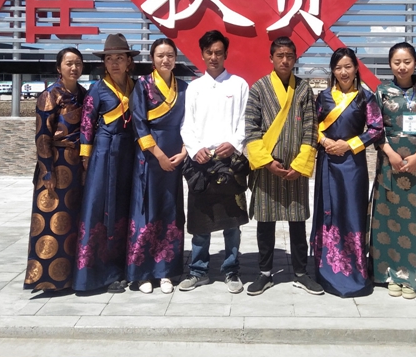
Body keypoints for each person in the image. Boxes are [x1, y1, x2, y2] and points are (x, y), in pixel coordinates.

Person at [245, 36, 323, 296]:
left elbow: (311, 129)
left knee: (297, 221)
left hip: (295, 170)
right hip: (268, 168)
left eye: (289, 56)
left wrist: (300, 165)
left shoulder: (303, 89)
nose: (285, 60)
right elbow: (251, 128)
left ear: (295, 58)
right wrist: (267, 162)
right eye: (280, 56)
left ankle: (301, 273)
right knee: (265, 221)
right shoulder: (258, 88)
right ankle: (265, 273)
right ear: (271, 58)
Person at [179, 30, 249, 294]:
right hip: (202, 161)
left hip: (229, 162)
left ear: (226, 54)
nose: (214, 57)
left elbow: (245, 122)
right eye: (209, 52)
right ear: (202, 54)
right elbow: (187, 125)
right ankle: (198, 270)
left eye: (219, 52)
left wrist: (234, 143)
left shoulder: (239, 85)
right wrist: (195, 148)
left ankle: (231, 270)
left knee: (232, 221)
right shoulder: (195, 87)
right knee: (200, 220)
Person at [311, 48, 383, 297]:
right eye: (338, 67)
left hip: (353, 164)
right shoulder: (323, 97)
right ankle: (326, 267)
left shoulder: (365, 97)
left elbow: (376, 129)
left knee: (351, 211)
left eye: (348, 67)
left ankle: (353, 268)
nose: (343, 72)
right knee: (328, 211)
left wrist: (349, 144)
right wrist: (324, 141)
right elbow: (311, 125)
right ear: (332, 70)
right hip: (328, 163)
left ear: (355, 69)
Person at [72, 34, 139, 293]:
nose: (114, 63)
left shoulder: (136, 87)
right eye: (109, 59)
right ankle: (97, 273)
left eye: (120, 58)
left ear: (129, 61)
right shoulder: (97, 89)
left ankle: (123, 267)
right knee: (102, 210)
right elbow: (86, 125)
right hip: (104, 153)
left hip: (129, 154)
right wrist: (86, 160)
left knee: (124, 209)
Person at [371, 42, 416, 300]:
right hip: (389, 162)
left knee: (415, 221)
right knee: (387, 217)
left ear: (415, 63)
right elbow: (375, 127)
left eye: (407, 61)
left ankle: (412, 275)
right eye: (397, 62)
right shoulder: (382, 92)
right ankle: (388, 273)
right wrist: (390, 153)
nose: (402, 67)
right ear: (390, 64)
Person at [126, 38, 188, 294]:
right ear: (152, 58)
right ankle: (143, 273)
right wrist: (159, 155)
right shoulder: (142, 85)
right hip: (150, 157)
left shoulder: (184, 88)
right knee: (146, 211)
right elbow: (139, 123)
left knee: (170, 211)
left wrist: (184, 151)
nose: (165, 60)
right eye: (160, 55)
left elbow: (190, 122)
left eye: (170, 55)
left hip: (176, 156)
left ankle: (166, 271)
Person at [24, 47, 87, 292]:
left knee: (73, 220)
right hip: (56, 164)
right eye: (69, 63)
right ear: (58, 67)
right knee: (50, 221)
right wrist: (47, 170)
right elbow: (42, 135)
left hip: (77, 165)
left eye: (78, 63)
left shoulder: (83, 94)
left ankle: (69, 276)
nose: (74, 68)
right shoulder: (50, 95)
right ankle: (45, 279)